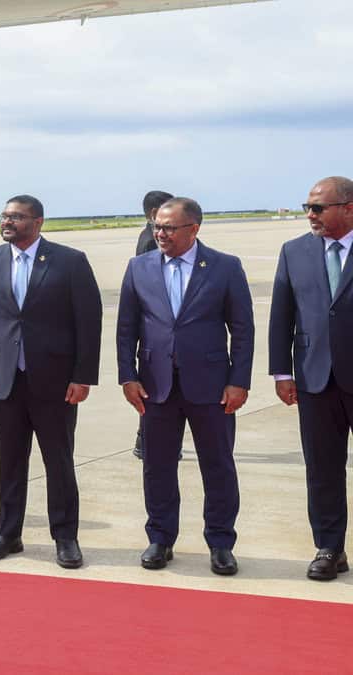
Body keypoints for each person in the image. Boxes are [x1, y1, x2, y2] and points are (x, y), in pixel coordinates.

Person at [0, 195, 102, 568]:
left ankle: (65, 537)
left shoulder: (70, 262)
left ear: (38, 222)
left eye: (17, 217)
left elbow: (89, 322)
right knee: (10, 461)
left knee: (59, 461)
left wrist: (83, 376)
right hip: (3, 381)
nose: (7, 222)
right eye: (4, 216)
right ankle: (8, 533)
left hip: (55, 382)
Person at [116, 197, 253, 576]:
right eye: (157, 227)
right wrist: (127, 376)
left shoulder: (225, 267)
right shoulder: (139, 267)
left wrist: (238, 381)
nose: (160, 234)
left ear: (193, 229)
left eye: (169, 228)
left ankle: (221, 543)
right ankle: (160, 538)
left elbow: (242, 330)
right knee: (157, 466)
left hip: (212, 386)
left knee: (218, 466)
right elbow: (126, 328)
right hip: (155, 385)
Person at [268, 176, 353, 581]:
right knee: (322, 468)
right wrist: (282, 371)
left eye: (318, 208)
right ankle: (329, 548)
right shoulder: (294, 251)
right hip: (314, 378)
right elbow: (281, 315)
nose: (310, 215)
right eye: (307, 207)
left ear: (348, 208)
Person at [133, 190, 175, 460]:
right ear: (153, 213)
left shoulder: (147, 234)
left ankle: (146, 440)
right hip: (157, 332)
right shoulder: (151, 242)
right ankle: (145, 441)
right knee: (155, 392)